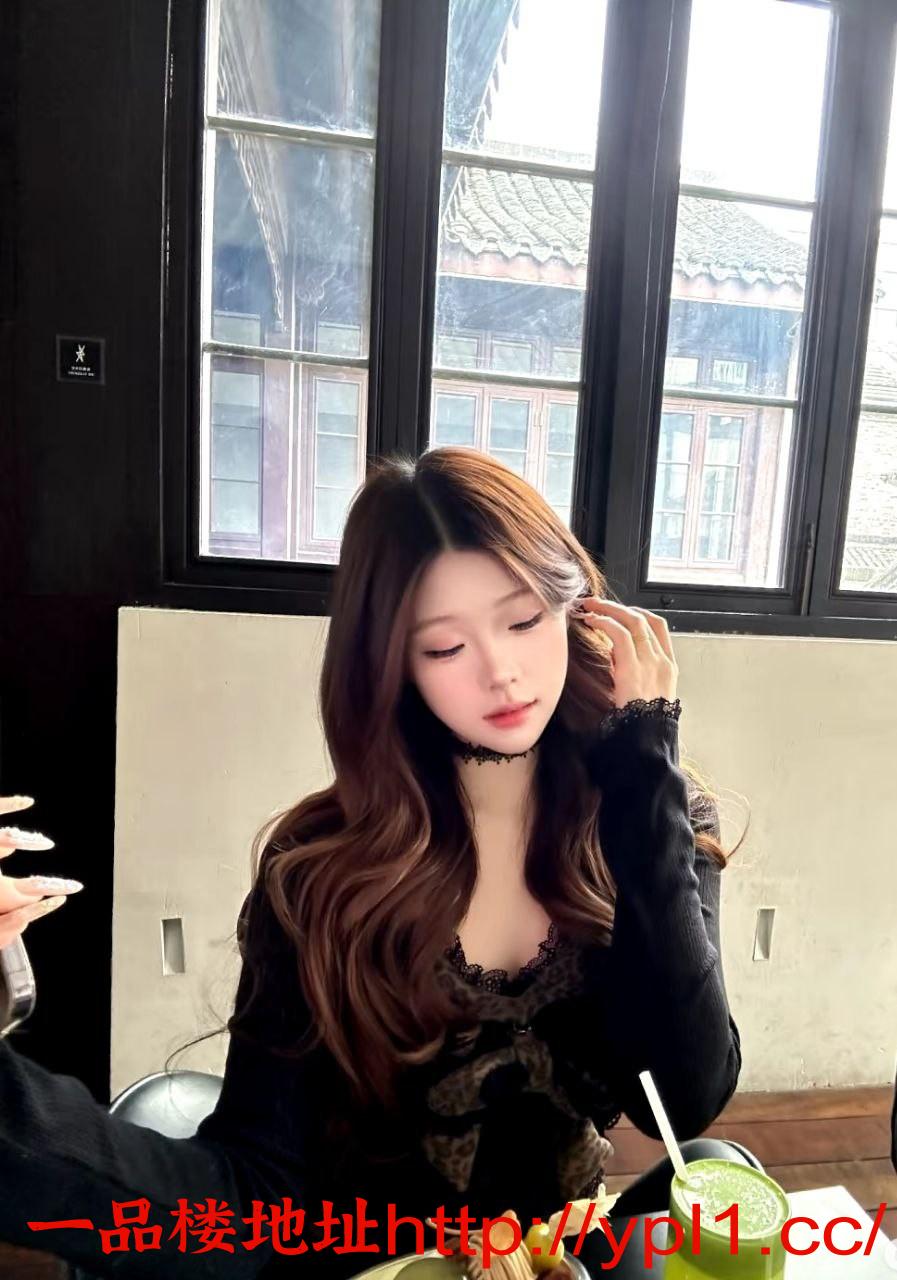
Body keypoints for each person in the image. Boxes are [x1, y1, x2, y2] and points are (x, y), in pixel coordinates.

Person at [0, 448, 754, 1278]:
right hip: (368, 1263)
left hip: (554, 1256)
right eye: (444, 647)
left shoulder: (649, 812)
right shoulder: (321, 874)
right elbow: (251, 1197)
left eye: (523, 621)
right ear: (391, 665)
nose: (502, 672)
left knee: (724, 1173)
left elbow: (682, 1096)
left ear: (577, 614)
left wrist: (643, 771)